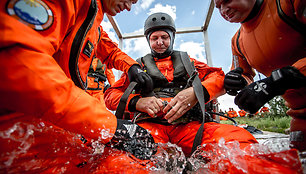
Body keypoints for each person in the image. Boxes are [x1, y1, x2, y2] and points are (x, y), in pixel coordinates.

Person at [0, 0, 156, 172]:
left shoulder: (92, 19)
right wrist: (113, 127)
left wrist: (132, 66)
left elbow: (110, 49)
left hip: (56, 119)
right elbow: (18, 62)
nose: (128, 7)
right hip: (20, 127)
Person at [104, 12, 258, 158]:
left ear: (172, 37)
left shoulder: (189, 62)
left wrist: (197, 92)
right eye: (154, 38)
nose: (159, 42)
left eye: (164, 37)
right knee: (120, 161)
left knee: (240, 143)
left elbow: (217, 76)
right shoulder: (137, 68)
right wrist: (137, 102)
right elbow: (110, 95)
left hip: (191, 127)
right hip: (148, 128)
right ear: (148, 41)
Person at [214, 0, 306, 151]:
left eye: (227, 1)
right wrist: (235, 82)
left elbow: (275, 82)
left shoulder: (288, 4)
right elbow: (244, 74)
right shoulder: (237, 41)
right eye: (218, 7)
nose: (224, 10)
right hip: (300, 116)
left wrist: (283, 79)